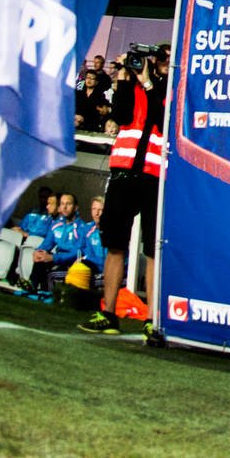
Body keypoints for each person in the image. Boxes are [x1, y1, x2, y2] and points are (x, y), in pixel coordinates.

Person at [78, 50, 168, 336]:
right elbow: (120, 115)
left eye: (165, 59)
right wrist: (123, 79)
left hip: (155, 176)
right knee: (115, 243)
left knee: (153, 248)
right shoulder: (132, 85)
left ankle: (152, 319)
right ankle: (108, 313)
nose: (159, 64)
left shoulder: (170, 86)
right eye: (158, 59)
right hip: (123, 172)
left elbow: (160, 116)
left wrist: (148, 83)